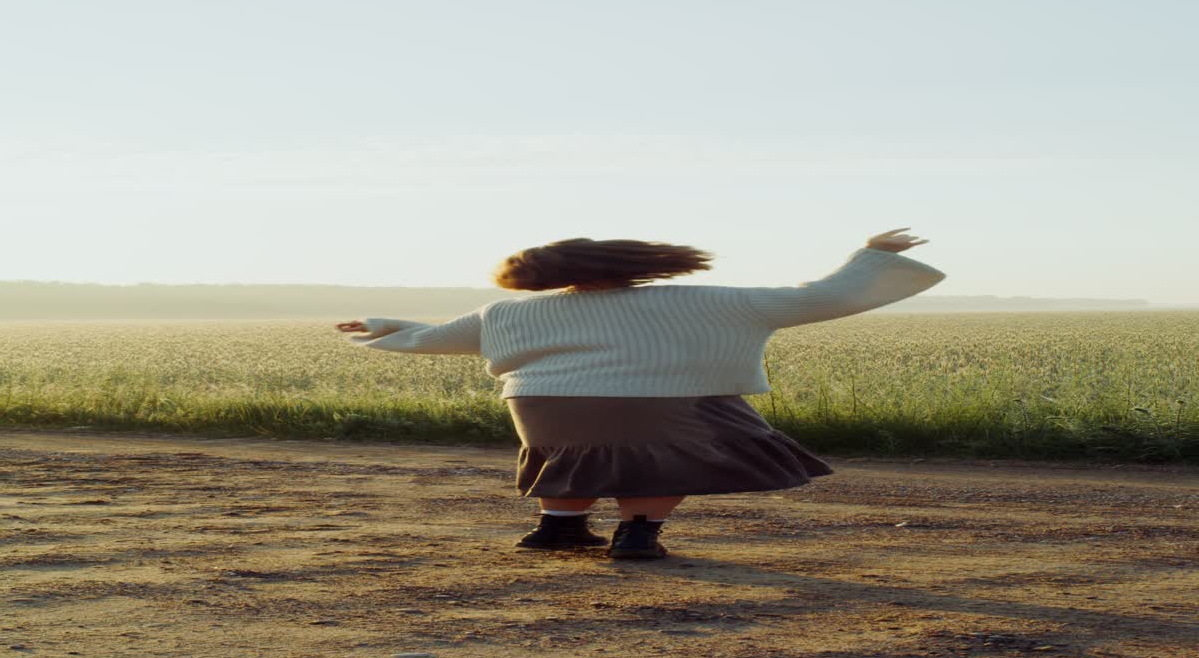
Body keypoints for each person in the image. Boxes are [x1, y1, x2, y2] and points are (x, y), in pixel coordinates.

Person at [336, 228, 945, 560]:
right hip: (659, 400)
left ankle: (557, 530)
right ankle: (637, 534)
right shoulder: (710, 300)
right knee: (664, 450)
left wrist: (384, 326)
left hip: (542, 410)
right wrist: (873, 255)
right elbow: (825, 298)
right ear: (637, 263)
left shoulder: (506, 311)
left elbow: (434, 338)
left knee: (575, 455)